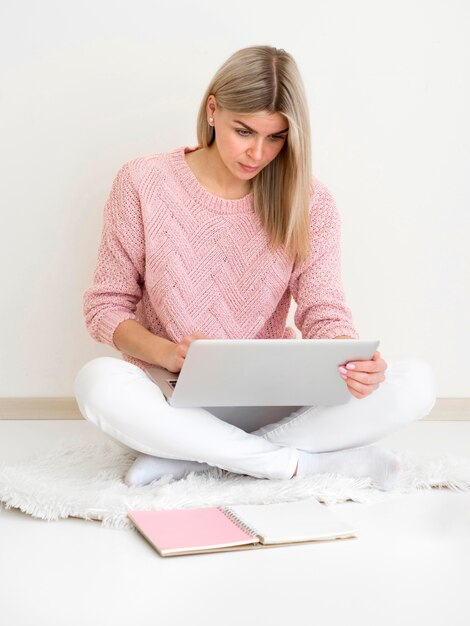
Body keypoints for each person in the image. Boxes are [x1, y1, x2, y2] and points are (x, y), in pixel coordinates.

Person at [73, 45, 436, 490]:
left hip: (277, 399)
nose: (258, 153)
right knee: (97, 383)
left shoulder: (309, 201)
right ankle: (297, 464)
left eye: (276, 137)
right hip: (172, 394)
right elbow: (106, 308)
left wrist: (350, 359)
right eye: (243, 131)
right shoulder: (143, 181)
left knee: (416, 382)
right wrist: (167, 353)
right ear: (212, 111)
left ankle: (197, 459)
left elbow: (324, 312)